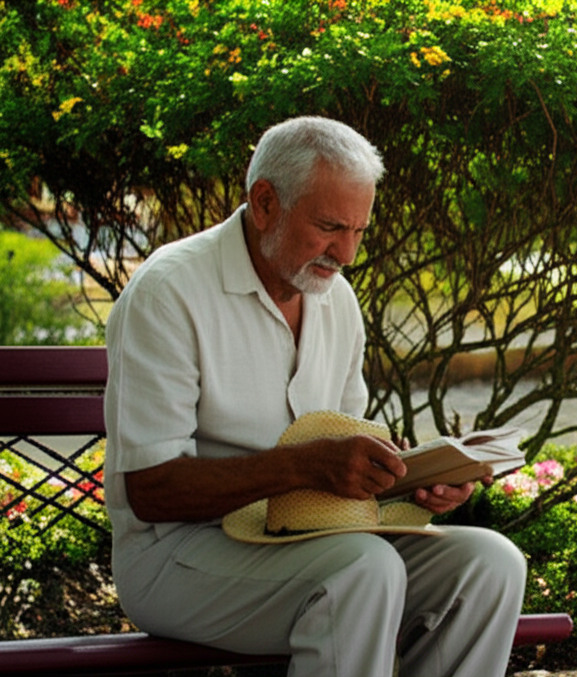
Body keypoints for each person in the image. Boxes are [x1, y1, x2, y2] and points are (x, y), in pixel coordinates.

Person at [103, 116, 527, 677]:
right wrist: (303, 467)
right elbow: (152, 491)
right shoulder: (169, 291)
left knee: (491, 563)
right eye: (330, 227)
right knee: (362, 569)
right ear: (264, 203)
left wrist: (415, 482)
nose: (346, 253)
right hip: (176, 556)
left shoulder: (335, 300)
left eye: (359, 231)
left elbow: (339, 469)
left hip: (314, 536)